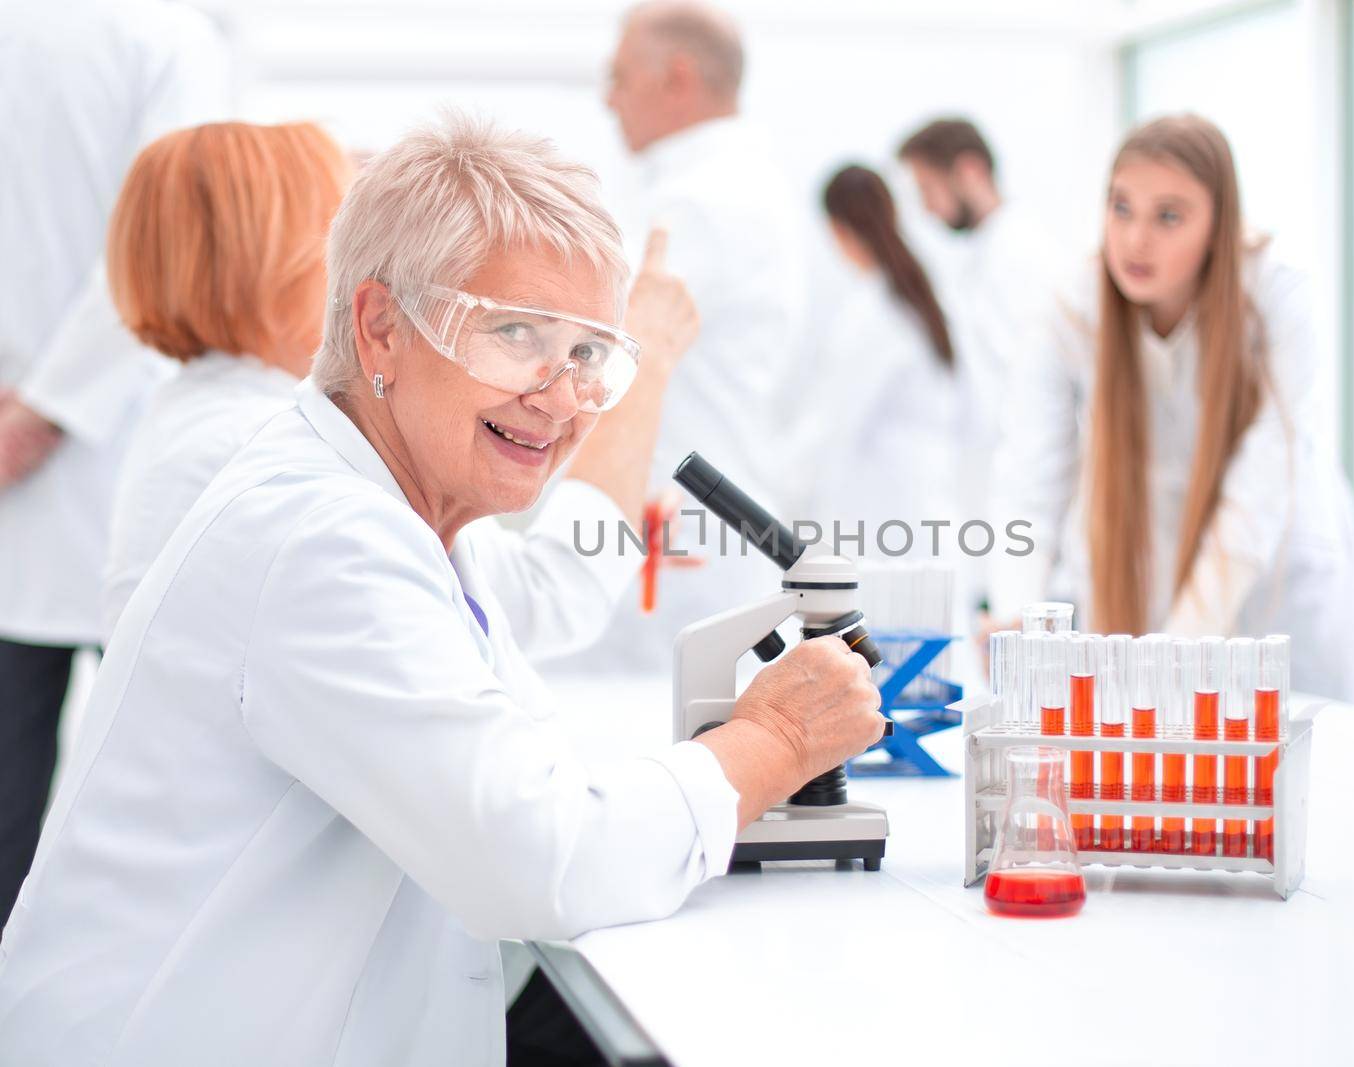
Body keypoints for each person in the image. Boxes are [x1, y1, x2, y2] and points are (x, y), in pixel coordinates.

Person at [0, 115, 884, 1066]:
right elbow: (540, 857)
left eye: (590, 353)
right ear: (378, 323)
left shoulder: (383, 504)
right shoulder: (323, 535)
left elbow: (506, 764)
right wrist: (775, 739)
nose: (565, 395)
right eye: (516, 335)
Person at [99, 121, 694, 671]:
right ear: (262, 265)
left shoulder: (210, 416)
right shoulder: (256, 447)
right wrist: (647, 355)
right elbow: (549, 594)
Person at [988, 115, 1354, 702]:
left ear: (1219, 225)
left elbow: (1259, 485)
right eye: (1121, 208)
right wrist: (1016, 616)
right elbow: (1030, 477)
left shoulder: (1275, 295)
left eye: (1168, 216)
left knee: (1295, 757)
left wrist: (1176, 652)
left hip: (1273, 577)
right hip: (1143, 566)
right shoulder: (1071, 306)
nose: (1135, 240)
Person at [0, 0, 229, 928]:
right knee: (165, 804)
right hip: (105, 455)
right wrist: (46, 409)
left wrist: (37, 409)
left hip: (96, 468)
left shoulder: (155, 36)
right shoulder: (170, 36)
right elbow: (167, 245)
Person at [584, 0, 807, 673]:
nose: (609, 97)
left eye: (620, 75)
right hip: (701, 514)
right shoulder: (721, 185)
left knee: (666, 724)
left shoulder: (704, 201)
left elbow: (595, 340)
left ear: (677, 78)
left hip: (688, 527)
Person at [896, 118, 1067, 599]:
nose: (927, 207)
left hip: (1024, 509)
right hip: (990, 508)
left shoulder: (1023, 258)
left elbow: (1035, 403)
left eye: (929, 187)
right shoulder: (984, 256)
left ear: (969, 171)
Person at [789, 164, 962, 553]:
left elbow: (833, 423)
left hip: (891, 516)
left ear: (838, 230)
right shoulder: (920, 297)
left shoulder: (874, 313)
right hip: (927, 507)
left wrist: (779, 493)